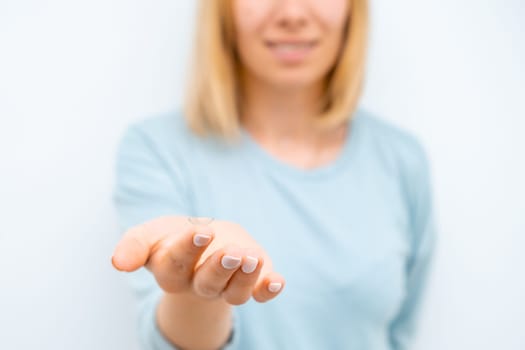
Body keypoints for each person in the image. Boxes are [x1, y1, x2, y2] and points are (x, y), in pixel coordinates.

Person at [111, 0, 436, 349]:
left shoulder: (401, 160)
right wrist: (199, 287)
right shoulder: (156, 149)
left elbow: (400, 335)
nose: (293, 14)